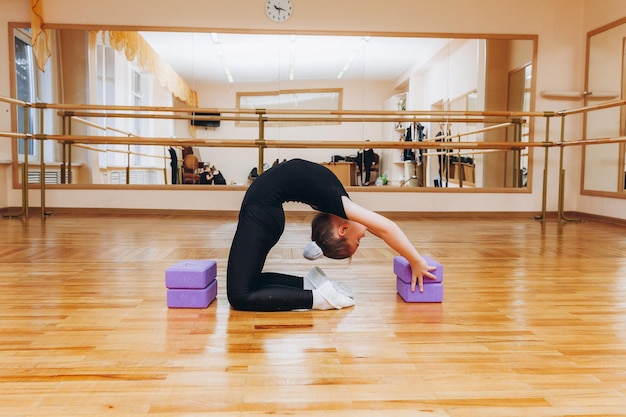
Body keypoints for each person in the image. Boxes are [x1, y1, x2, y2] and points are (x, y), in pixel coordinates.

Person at [226, 158, 436, 312]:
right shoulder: (340, 204)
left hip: (261, 212)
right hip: (263, 212)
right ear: (343, 229)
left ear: (342, 229)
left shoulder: (339, 205)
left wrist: (415, 260)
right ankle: (310, 285)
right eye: (359, 241)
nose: (365, 234)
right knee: (248, 284)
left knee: (239, 296)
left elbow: (383, 229)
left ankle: (320, 298)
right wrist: (415, 260)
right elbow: (384, 228)